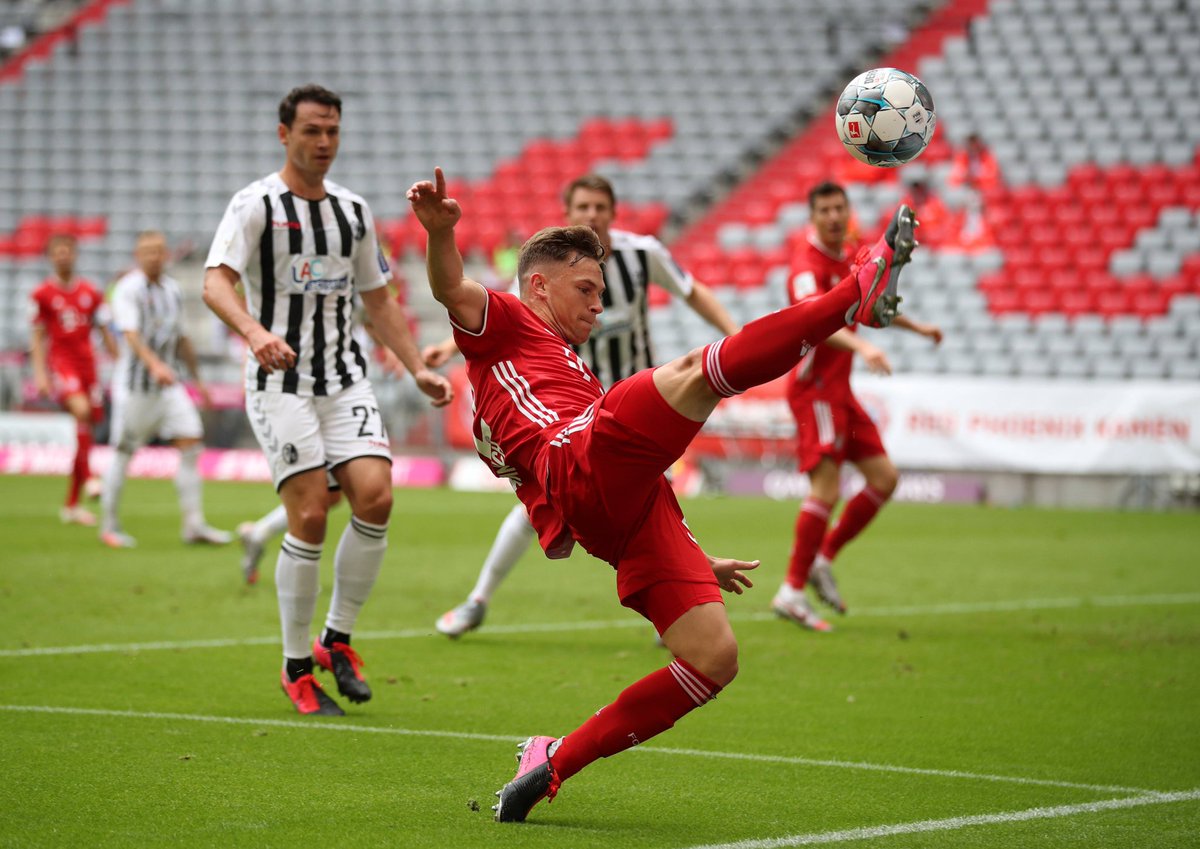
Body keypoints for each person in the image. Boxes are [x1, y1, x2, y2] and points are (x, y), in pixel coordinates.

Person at [407, 167, 916, 822]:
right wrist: (441, 234)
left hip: (623, 504)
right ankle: (854, 295)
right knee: (694, 372)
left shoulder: (566, 359)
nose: (599, 303)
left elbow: (577, 499)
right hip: (576, 455)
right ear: (539, 284)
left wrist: (693, 562)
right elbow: (451, 286)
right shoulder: (504, 320)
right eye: (585, 289)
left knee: (714, 658)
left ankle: (553, 759)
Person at [202, 84, 453, 717]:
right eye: (312, 130)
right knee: (310, 515)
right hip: (279, 382)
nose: (323, 143)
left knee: (377, 497)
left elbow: (377, 299)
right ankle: (294, 668)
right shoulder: (254, 204)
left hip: (345, 377)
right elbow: (215, 282)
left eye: (332, 131)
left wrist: (414, 365)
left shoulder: (354, 212)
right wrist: (256, 333)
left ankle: (335, 639)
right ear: (284, 134)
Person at [427, 173, 739, 638]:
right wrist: (449, 346)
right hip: (565, 409)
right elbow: (501, 313)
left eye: (600, 208)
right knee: (551, 503)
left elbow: (693, 292)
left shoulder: (642, 255)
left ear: (613, 213)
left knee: (652, 493)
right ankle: (479, 599)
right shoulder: (552, 276)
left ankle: (679, 586)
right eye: (583, 208)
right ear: (570, 214)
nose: (592, 215)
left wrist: (733, 336)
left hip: (628, 393)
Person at [774, 182, 942, 631]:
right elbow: (814, 320)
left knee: (884, 479)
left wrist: (917, 327)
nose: (833, 216)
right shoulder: (804, 267)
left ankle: (822, 559)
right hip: (815, 391)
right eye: (824, 209)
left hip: (840, 391)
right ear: (812, 216)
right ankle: (790, 592)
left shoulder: (850, 253)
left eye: (839, 208)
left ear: (847, 213)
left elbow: (872, 304)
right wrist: (862, 349)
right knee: (825, 489)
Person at [98, 230, 232, 549]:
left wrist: (198, 380)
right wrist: (154, 365)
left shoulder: (171, 290)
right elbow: (130, 334)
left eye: (158, 251)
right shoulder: (127, 289)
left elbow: (181, 337)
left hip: (169, 387)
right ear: (137, 254)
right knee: (123, 452)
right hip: (135, 388)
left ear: (166, 254)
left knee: (191, 443)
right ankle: (110, 524)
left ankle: (193, 525)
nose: (153, 256)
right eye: (147, 251)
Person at [29, 233, 117, 526]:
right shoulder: (42, 295)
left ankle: (71, 505)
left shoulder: (91, 292)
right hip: (62, 365)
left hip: (88, 366)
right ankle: (90, 477)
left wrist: (118, 358)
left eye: (67, 251)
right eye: (58, 252)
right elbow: (38, 337)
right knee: (80, 412)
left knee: (86, 430)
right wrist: (41, 374)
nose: (63, 256)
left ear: (75, 255)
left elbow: (104, 330)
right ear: (51, 257)